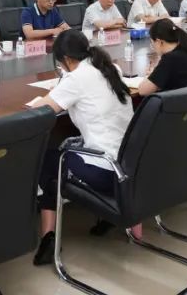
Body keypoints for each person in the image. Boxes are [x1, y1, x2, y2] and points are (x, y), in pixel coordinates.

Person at [28, 30, 134, 265]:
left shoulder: (76, 79)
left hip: (105, 170)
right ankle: (104, 217)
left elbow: (42, 110)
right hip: (129, 165)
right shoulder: (110, 68)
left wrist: (52, 93)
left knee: (47, 162)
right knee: (59, 157)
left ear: (66, 59)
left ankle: (48, 238)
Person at [137, 19, 187, 96]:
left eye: (152, 43)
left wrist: (148, 76)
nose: (153, 47)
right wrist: (156, 74)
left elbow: (143, 91)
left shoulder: (169, 59)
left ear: (159, 42)